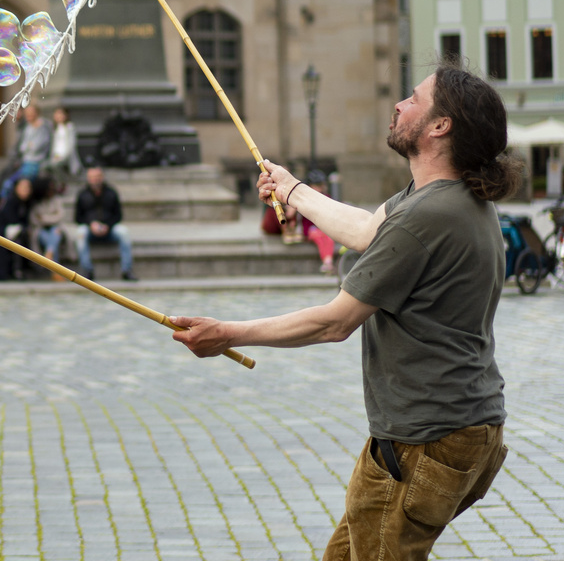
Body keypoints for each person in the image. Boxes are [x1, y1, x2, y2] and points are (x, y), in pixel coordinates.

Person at [170, 63, 523, 561]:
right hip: (457, 430)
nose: (400, 104)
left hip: (425, 442)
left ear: (440, 126)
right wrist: (292, 189)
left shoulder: (427, 217)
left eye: (414, 99)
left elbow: (334, 322)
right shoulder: (449, 198)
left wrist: (227, 333)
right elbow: (364, 230)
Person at [73, 165, 135, 281]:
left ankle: (127, 270)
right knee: (80, 233)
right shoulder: (82, 194)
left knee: (124, 232)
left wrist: (108, 225)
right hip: (90, 229)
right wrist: (91, 224)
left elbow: (118, 215)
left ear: (102, 177)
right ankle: (87, 270)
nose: (95, 179)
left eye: (97, 176)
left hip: (109, 229)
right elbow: (77, 218)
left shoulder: (111, 193)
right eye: (92, 177)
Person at [0, 176, 35, 282]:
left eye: (28, 188)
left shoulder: (25, 203)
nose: (26, 190)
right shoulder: (11, 201)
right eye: (23, 187)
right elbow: (10, 219)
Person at [29, 178, 71, 274]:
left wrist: (43, 218)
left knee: (55, 232)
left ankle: (49, 254)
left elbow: (59, 216)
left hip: (56, 228)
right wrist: (50, 218)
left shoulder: (57, 200)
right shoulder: (36, 202)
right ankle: (55, 268)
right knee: (46, 237)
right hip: (40, 230)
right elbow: (34, 220)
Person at [44, 107, 81, 182]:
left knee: (55, 165)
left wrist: (63, 156)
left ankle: (62, 182)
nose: (59, 116)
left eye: (61, 114)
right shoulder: (54, 128)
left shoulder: (70, 127)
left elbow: (71, 145)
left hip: (66, 155)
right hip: (55, 155)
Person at [16, 105, 52, 181]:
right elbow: (22, 147)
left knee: (25, 180)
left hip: (38, 161)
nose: (28, 116)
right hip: (26, 160)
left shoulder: (43, 127)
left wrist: (29, 146)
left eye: (31, 113)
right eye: (27, 114)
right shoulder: (28, 128)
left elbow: (37, 147)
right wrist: (29, 145)